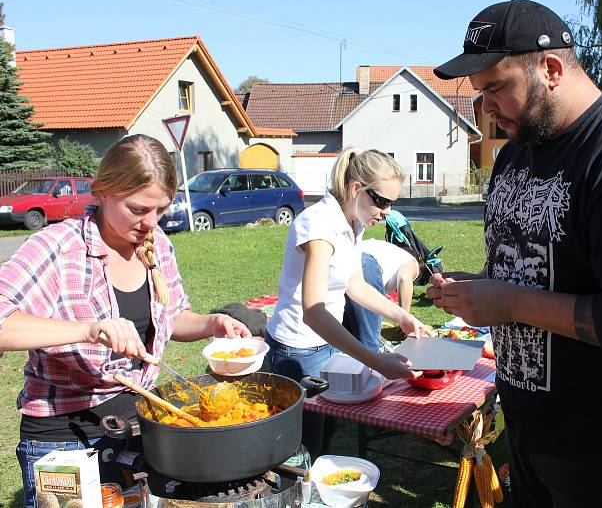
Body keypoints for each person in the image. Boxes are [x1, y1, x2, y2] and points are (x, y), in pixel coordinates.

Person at [427, 0, 602, 507]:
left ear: (550, 69)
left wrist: (506, 302)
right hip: (528, 427)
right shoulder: (515, 154)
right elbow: (533, 261)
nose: (485, 108)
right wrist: (477, 286)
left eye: (495, 88)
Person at [0, 134, 250, 508]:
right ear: (102, 192)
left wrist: (211, 323)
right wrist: (88, 330)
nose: (151, 222)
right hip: (65, 437)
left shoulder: (157, 243)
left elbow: (172, 318)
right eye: (137, 210)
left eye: (161, 209)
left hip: (139, 428)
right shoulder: (58, 246)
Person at [265, 147, 429, 459]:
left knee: (325, 436)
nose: (387, 211)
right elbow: (313, 312)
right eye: (382, 201)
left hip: (325, 344)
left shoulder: (352, 224)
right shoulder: (319, 226)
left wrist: (402, 317)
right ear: (357, 189)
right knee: (302, 450)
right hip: (296, 350)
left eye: (393, 202)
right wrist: (375, 360)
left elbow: (355, 286)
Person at [342, 239, 420, 351]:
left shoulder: (388, 251)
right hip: (366, 266)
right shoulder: (413, 262)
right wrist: (404, 318)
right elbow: (404, 278)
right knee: (368, 344)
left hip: (346, 262)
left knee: (347, 337)